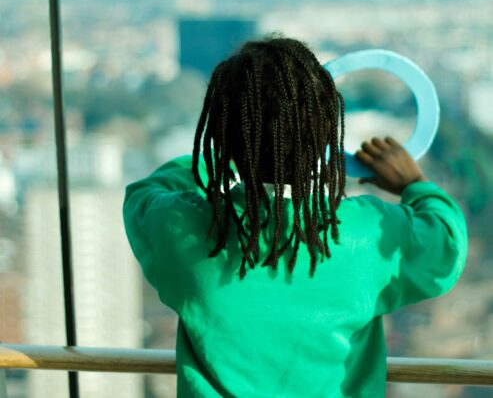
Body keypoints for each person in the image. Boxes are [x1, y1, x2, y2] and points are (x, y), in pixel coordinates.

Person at [123, 37, 467, 398]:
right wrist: (415, 183)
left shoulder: (179, 228)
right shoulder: (371, 235)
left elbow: (145, 194)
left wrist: (223, 158)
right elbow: (447, 243)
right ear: (325, 135)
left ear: (226, 136)